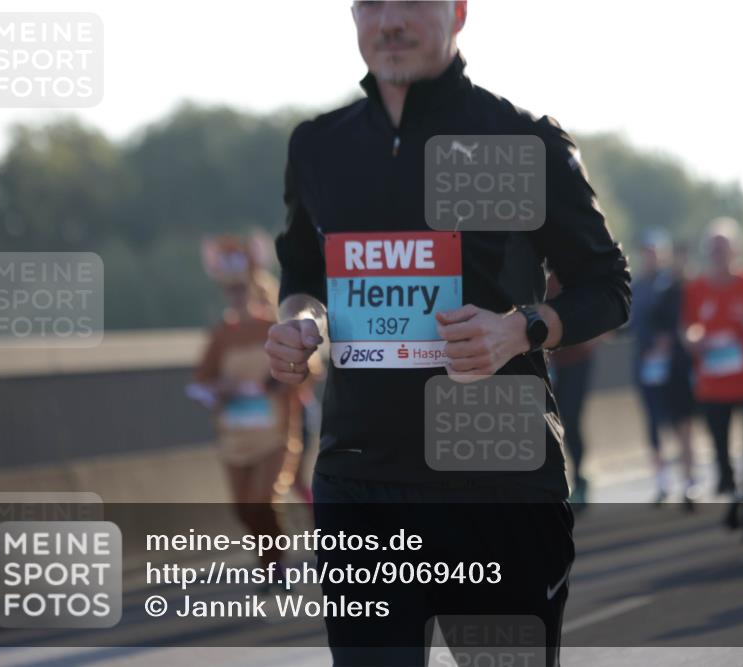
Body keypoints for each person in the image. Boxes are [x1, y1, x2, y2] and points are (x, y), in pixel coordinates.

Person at [265, 2, 631, 665]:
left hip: (496, 487)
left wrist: (520, 330)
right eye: (371, 3)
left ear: (458, 11)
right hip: (360, 487)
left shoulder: (521, 141)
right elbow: (303, 271)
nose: (390, 22)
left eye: (412, 1)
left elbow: (608, 286)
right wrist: (300, 320)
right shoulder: (318, 146)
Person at [188, 234, 310, 591]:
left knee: (264, 498)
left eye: (241, 289)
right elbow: (201, 380)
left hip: (274, 432)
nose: (236, 297)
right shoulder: (220, 335)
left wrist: (277, 382)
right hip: (235, 433)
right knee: (243, 508)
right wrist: (221, 389)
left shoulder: (272, 324)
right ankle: (267, 562)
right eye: (231, 291)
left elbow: (308, 367)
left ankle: (276, 566)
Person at [682, 218, 743, 540]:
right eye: (713, 249)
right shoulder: (696, 288)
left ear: (736, 251)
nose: (719, 254)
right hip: (714, 385)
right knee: (721, 452)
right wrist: (694, 340)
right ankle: (734, 494)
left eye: (724, 248)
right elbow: (687, 329)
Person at [629, 230, 697, 508]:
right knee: (654, 424)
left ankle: (689, 481)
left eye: (655, 252)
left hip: (675, 366)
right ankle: (662, 482)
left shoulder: (675, 284)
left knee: (682, 423)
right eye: (646, 252)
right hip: (647, 366)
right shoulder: (635, 288)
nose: (651, 257)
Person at [546, 272, 601, 508]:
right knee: (547, 423)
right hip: (546, 362)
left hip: (576, 360)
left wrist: (590, 336)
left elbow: (601, 307)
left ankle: (580, 479)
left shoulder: (573, 269)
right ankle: (556, 483)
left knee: (570, 417)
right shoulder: (529, 272)